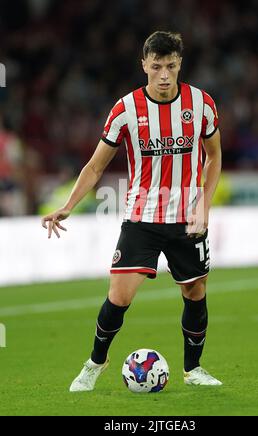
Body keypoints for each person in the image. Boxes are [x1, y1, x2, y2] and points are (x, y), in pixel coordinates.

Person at [42, 31, 222, 391]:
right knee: (119, 296)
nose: (165, 75)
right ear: (144, 65)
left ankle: (193, 369)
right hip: (142, 217)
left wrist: (204, 205)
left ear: (180, 63)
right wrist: (67, 206)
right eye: (156, 67)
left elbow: (214, 156)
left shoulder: (202, 104)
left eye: (171, 66)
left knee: (195, 292)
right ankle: (94, 363)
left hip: (188, 219)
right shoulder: (125, 109)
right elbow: (94, 167)